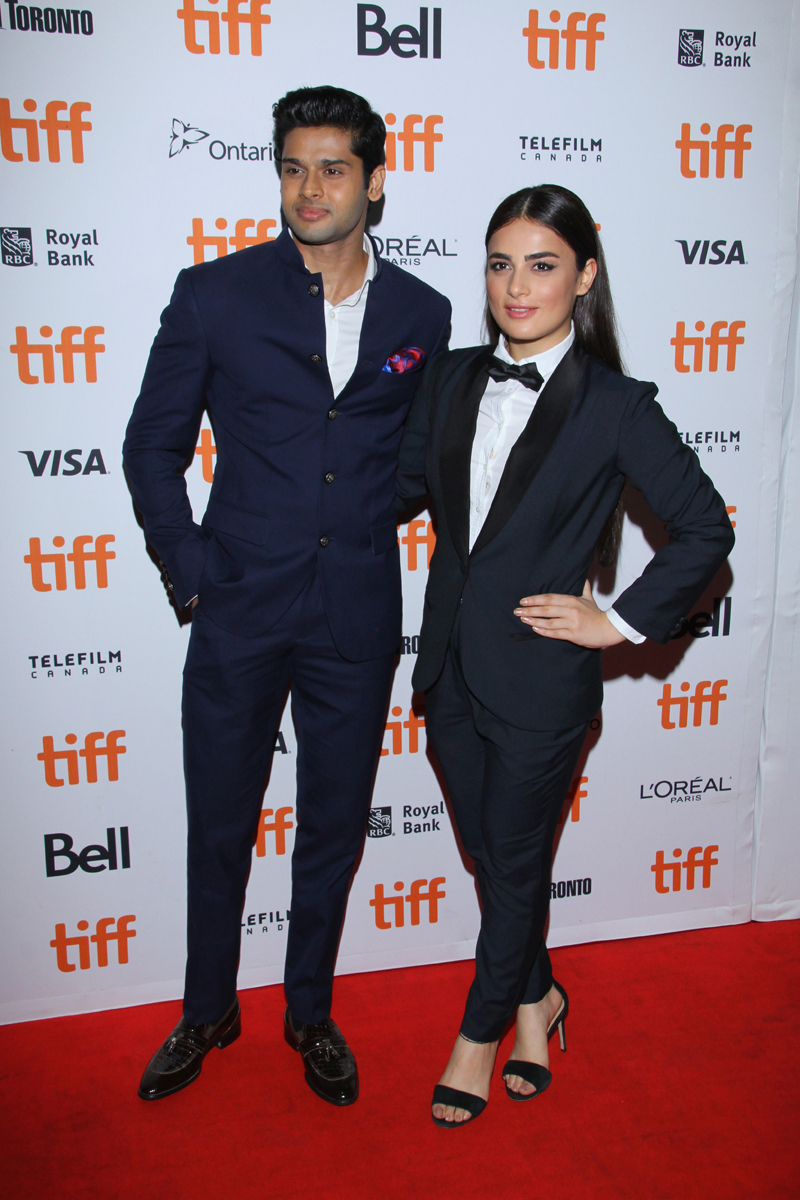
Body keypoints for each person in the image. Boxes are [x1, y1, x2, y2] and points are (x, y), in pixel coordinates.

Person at [123, 86, 451, 1107]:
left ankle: (307, 1010)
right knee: (219, 819)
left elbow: (417, 461)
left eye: (333, 168)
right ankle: (205, 1007)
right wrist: (195, 570)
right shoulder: (213, 294)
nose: (310, 189)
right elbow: (151, 447)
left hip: (353, 612)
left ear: (375, 180)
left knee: (333, 826)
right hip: (237, 607)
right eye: (293, 167)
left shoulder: (421, 314)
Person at [396, 184, 734, 1127]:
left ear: (583, 276)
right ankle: (541, 998)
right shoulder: (453, 377)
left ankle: (481, 1031)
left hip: (542, 683)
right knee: (500, 861)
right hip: (450, 669)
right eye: (501, 263)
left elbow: (706, 530)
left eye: (542, 264)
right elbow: (397, 491)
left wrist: (618, 623)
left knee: (508, 857)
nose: (516, 285)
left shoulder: (618, 405)